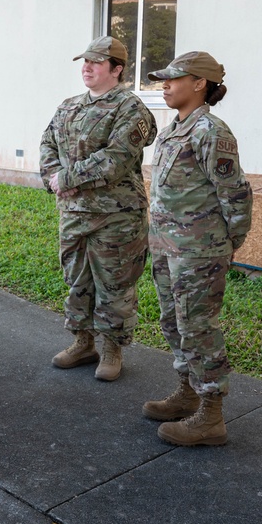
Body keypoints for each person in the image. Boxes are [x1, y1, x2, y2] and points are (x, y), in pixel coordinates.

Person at [141, 51, 252, 447]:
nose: (165, 85)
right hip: (167, 243)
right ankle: (187, 392)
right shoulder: (173, 130)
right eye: (164, 80)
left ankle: (210, 416)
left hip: (199, 250)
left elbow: (236, 195)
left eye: (173, 79)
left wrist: (224, 244)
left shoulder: (211, 132)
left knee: (197, 327)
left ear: (199, 83)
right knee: (173, 320)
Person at [39, 36, 157, 381]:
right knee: (77, 278)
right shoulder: (69, 106)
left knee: (115, 282)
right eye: (84, 61)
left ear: (116, 69)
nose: (86, 67)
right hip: (74, 212)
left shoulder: (131, 110)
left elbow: (116, 159)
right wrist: (53, 178)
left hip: (117, 214)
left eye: (95, 62)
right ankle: (83, 342)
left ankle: (112, 349)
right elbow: (47, 143)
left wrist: (68, 177)